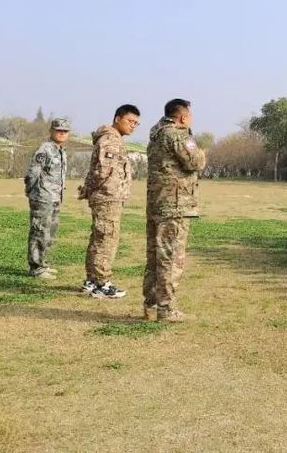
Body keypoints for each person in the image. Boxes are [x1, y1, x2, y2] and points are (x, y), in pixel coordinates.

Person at [143, 99, 207, 323]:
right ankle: (166, 309)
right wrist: (202, 154)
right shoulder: (178, 135)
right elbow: (194, 162)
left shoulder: (156, 135)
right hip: (175, 205)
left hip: (157, 204)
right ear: (183, 116)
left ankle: (151, 305)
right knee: (170, 258)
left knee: (155, 257)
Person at [79, 104, 141, 298]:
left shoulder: (113, 139)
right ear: (117, 119)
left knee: (99, 238)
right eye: (130, 121)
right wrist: (92, 189)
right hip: (107, 197)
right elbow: (102, 171)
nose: (133, 126)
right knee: (106, 240)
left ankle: (91, 281)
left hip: (108, 196)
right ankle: (102, 284)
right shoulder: (110, 140)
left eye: (136, 123)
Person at [24, 118, 70, 279]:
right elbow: (33, 173)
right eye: (59, 130)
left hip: (55, 197)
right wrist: (31, 192)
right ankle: (36, 267)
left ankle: (42, 263)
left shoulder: (60, 150)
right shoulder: (44, 149)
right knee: (39, 231)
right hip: (42, 197)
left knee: (50, 232)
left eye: (65, 131)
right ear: (51, 131)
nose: (62, 133)